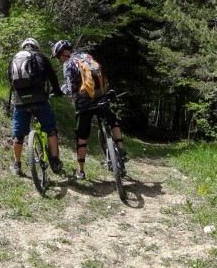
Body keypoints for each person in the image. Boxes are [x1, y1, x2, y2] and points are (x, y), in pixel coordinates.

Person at [51, 39, 127, 181]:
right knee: (112, 120)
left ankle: (81, 171)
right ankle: (121, 149)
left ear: (62, 53)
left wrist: (59, 91)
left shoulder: (68, 64)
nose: (58, 60)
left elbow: (70, 89)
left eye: (57, 57)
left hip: (85, 103)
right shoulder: (86, 56)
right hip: (101, 96)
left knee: (81, 136)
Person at [8, 37, 64, 177]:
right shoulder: (40, 57)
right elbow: (52, 76)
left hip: (20, 102)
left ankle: (17, 164)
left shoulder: (14, 59)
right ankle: (55, 161)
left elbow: (10, 81)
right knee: (50, 130)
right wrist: (57, 91)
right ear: (36, 48)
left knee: (18, 135)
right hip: (39, 100)